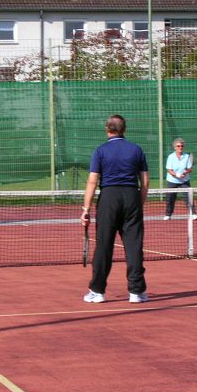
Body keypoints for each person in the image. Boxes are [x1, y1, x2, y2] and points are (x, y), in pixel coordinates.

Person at [81, 114, 150, 304]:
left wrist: (86, 209)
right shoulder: (136, 149)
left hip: (109, 199)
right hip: (131, 197)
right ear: (124, 129)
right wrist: (139, 204)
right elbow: (145, 182)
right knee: (134, 246)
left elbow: (92, 181)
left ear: (107, 129)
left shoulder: (100, 150)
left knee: (103, 246)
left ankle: (97, 291)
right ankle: (136, 292)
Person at [164, 137, 197, 221]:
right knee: (170, 198)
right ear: (175, 147)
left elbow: (189, 169)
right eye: (178, 146)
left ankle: (193, 214)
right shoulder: (171, 157)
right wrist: (177, 175)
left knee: (188, 197)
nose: (180, 147)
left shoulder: (187, 157)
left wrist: (185, 172)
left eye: (182, 146)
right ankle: (168, 214)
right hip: (172, 181)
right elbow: (169, 170)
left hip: (184, 181)